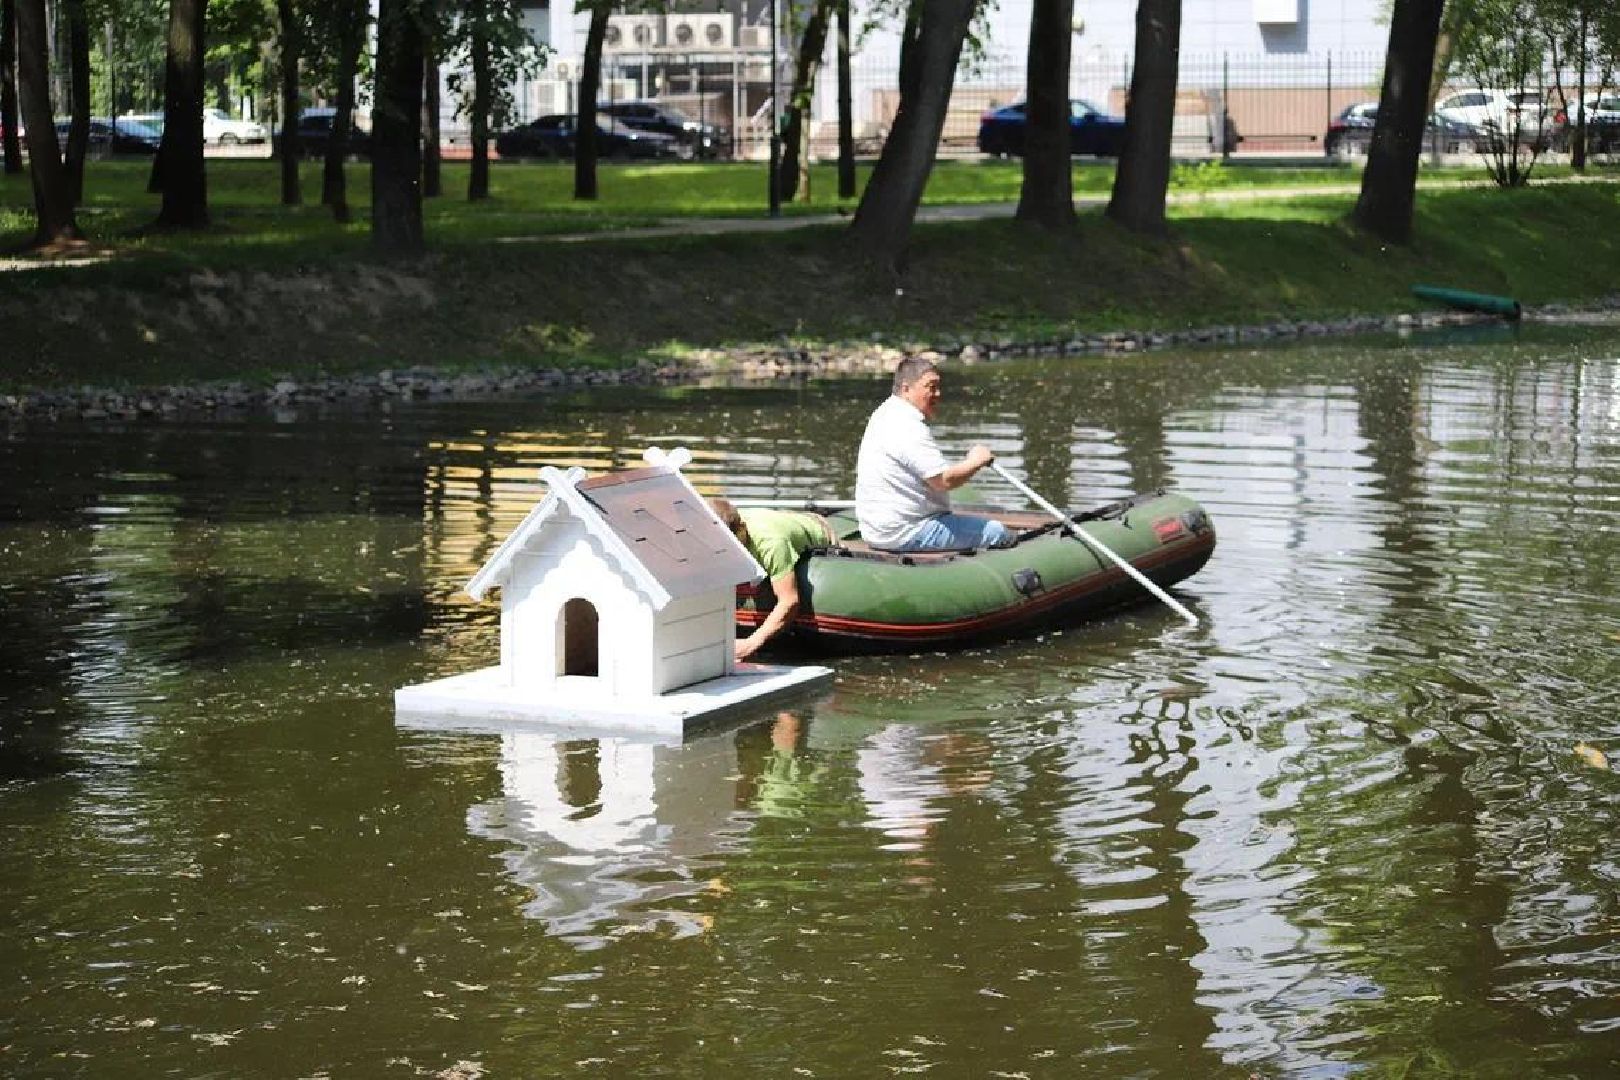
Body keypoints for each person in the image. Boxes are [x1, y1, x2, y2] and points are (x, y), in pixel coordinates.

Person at [855, 357, 1014, 552]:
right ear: (906, 389)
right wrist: (976, 461)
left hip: (877, 532)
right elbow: (943, 482)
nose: (938, 394)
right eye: (931, 387)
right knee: (997, 532)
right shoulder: (908, 427)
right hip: (908, 532)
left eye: (938, 387)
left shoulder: (884, 412)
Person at [709, 497, 834, 661]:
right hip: (781, 520)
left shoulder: (771, 544)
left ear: (741, 530)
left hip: (818, 529)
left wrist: (751, 643)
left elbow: (789, 600)